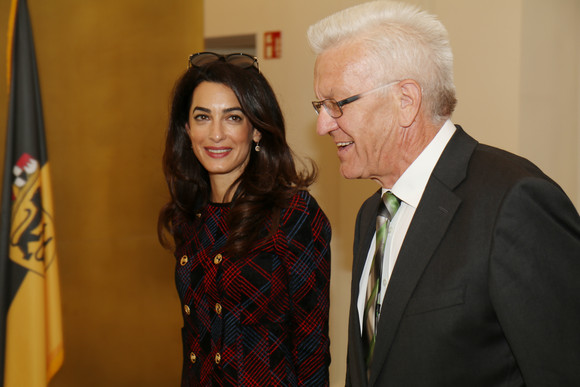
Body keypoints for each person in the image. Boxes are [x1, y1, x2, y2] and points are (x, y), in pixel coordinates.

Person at [307, 2, 580, 386]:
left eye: (337, 104)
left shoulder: (514, 202)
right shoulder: (373, 214)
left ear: (406, 101)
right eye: (320, 105)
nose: (322, 125)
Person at [158, 52, 331, 386]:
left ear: (256, 130)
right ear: (186, 128)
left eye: (233, 117)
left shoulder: (293, 215)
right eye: (203, 117)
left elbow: (311, 346)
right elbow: (194, 342)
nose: (216, 134)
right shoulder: (187, 216)